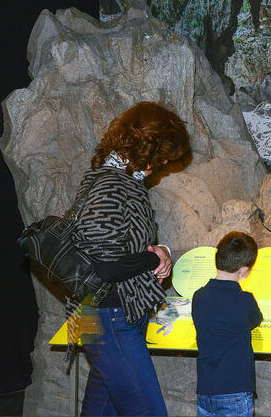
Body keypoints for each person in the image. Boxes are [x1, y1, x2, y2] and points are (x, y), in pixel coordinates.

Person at [71, 101, 191, 416]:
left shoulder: (116, 180)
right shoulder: (111, 184)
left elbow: (121, 245)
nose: (165, 161)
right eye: (163, 153)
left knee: (99, 411)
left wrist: (159, 251)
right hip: (111, 317)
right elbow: (106, 264)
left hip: (108, 315)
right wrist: (154, 260)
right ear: (146, 145)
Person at [191, 231, 263, 417]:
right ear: (244, 270)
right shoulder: (245, 300)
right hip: (236, 390)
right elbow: (256, 320)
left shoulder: (198, 297)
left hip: (206, 389)